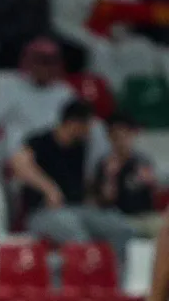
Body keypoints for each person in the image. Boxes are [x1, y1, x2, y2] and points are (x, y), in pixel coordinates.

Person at [12, 99, 134, 259]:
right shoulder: (41, 141)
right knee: (76, 234)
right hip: (44, 212)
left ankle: (113, 273)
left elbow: (87, 183)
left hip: (77, 208)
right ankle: (84, 273)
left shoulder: (82, 146)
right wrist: (49, 189)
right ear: (74, 124)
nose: (89, 131)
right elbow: (18, 164)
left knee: (121, 229)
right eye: (87, 126)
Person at [91, 112, 159, 237]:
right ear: (110, 137)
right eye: (117, 137)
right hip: (119, 217)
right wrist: (110, 176)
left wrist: (150, 181)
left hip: (145, 216)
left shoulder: (142, 160)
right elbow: (105, 199)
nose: (122, 141)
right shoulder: (104, 163)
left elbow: (154, 191)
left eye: (126, 135)